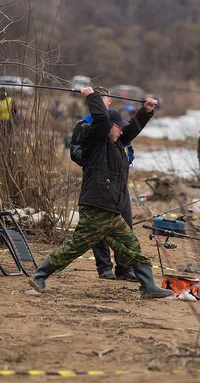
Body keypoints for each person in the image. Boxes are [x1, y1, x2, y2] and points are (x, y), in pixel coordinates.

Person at [28, 87, 173, 300]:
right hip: (96, 208)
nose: (121, 131)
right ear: (108, 127)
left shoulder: (118, 143)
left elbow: (131, 130)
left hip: (111, 210)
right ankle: (39, 276)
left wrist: (145, 111)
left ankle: (148, 286)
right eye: (118, 128)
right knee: (75, 248)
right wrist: (93, 97)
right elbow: (102, 122)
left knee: (132, 245)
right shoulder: (95, 142)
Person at [70, 86, 137, 281]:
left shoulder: (116, 122)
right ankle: (104, 267)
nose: (107, 102)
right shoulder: (85, 124)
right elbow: (76, 151)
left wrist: (126, 158)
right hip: (98, 182)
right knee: (98, 228)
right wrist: (92, 159)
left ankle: (125, 268)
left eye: (108, 99)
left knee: (126, 226)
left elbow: (127, 143)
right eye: (102, 99)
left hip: (119, 183)